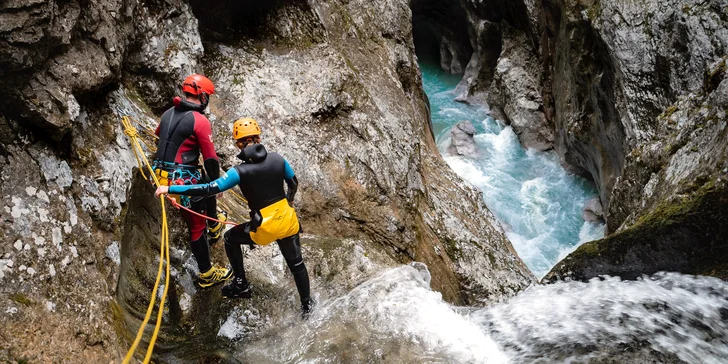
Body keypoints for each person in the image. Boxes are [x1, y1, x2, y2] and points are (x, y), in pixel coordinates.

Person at [155, 118, 313, 315]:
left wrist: (169, 187)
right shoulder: (279, 159)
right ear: (258, 138)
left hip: (263, 227)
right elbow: (293, 183)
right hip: (288, 220)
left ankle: (240, 284)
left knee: (230, 238)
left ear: (238, 144)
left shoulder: (239, 171)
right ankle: (307, 305)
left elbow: (208, 188)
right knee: (296, 263)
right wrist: (288, 201)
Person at [152, 74, 232, 288]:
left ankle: (214, 223)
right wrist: (218, 185)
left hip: (159, 174)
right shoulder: (200, 121)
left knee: (205, 180)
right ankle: (207, 273)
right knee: (197, 226)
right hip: (180, 181)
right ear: (203, 96)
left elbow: (157, 134)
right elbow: (211, 159)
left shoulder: (168, 113)